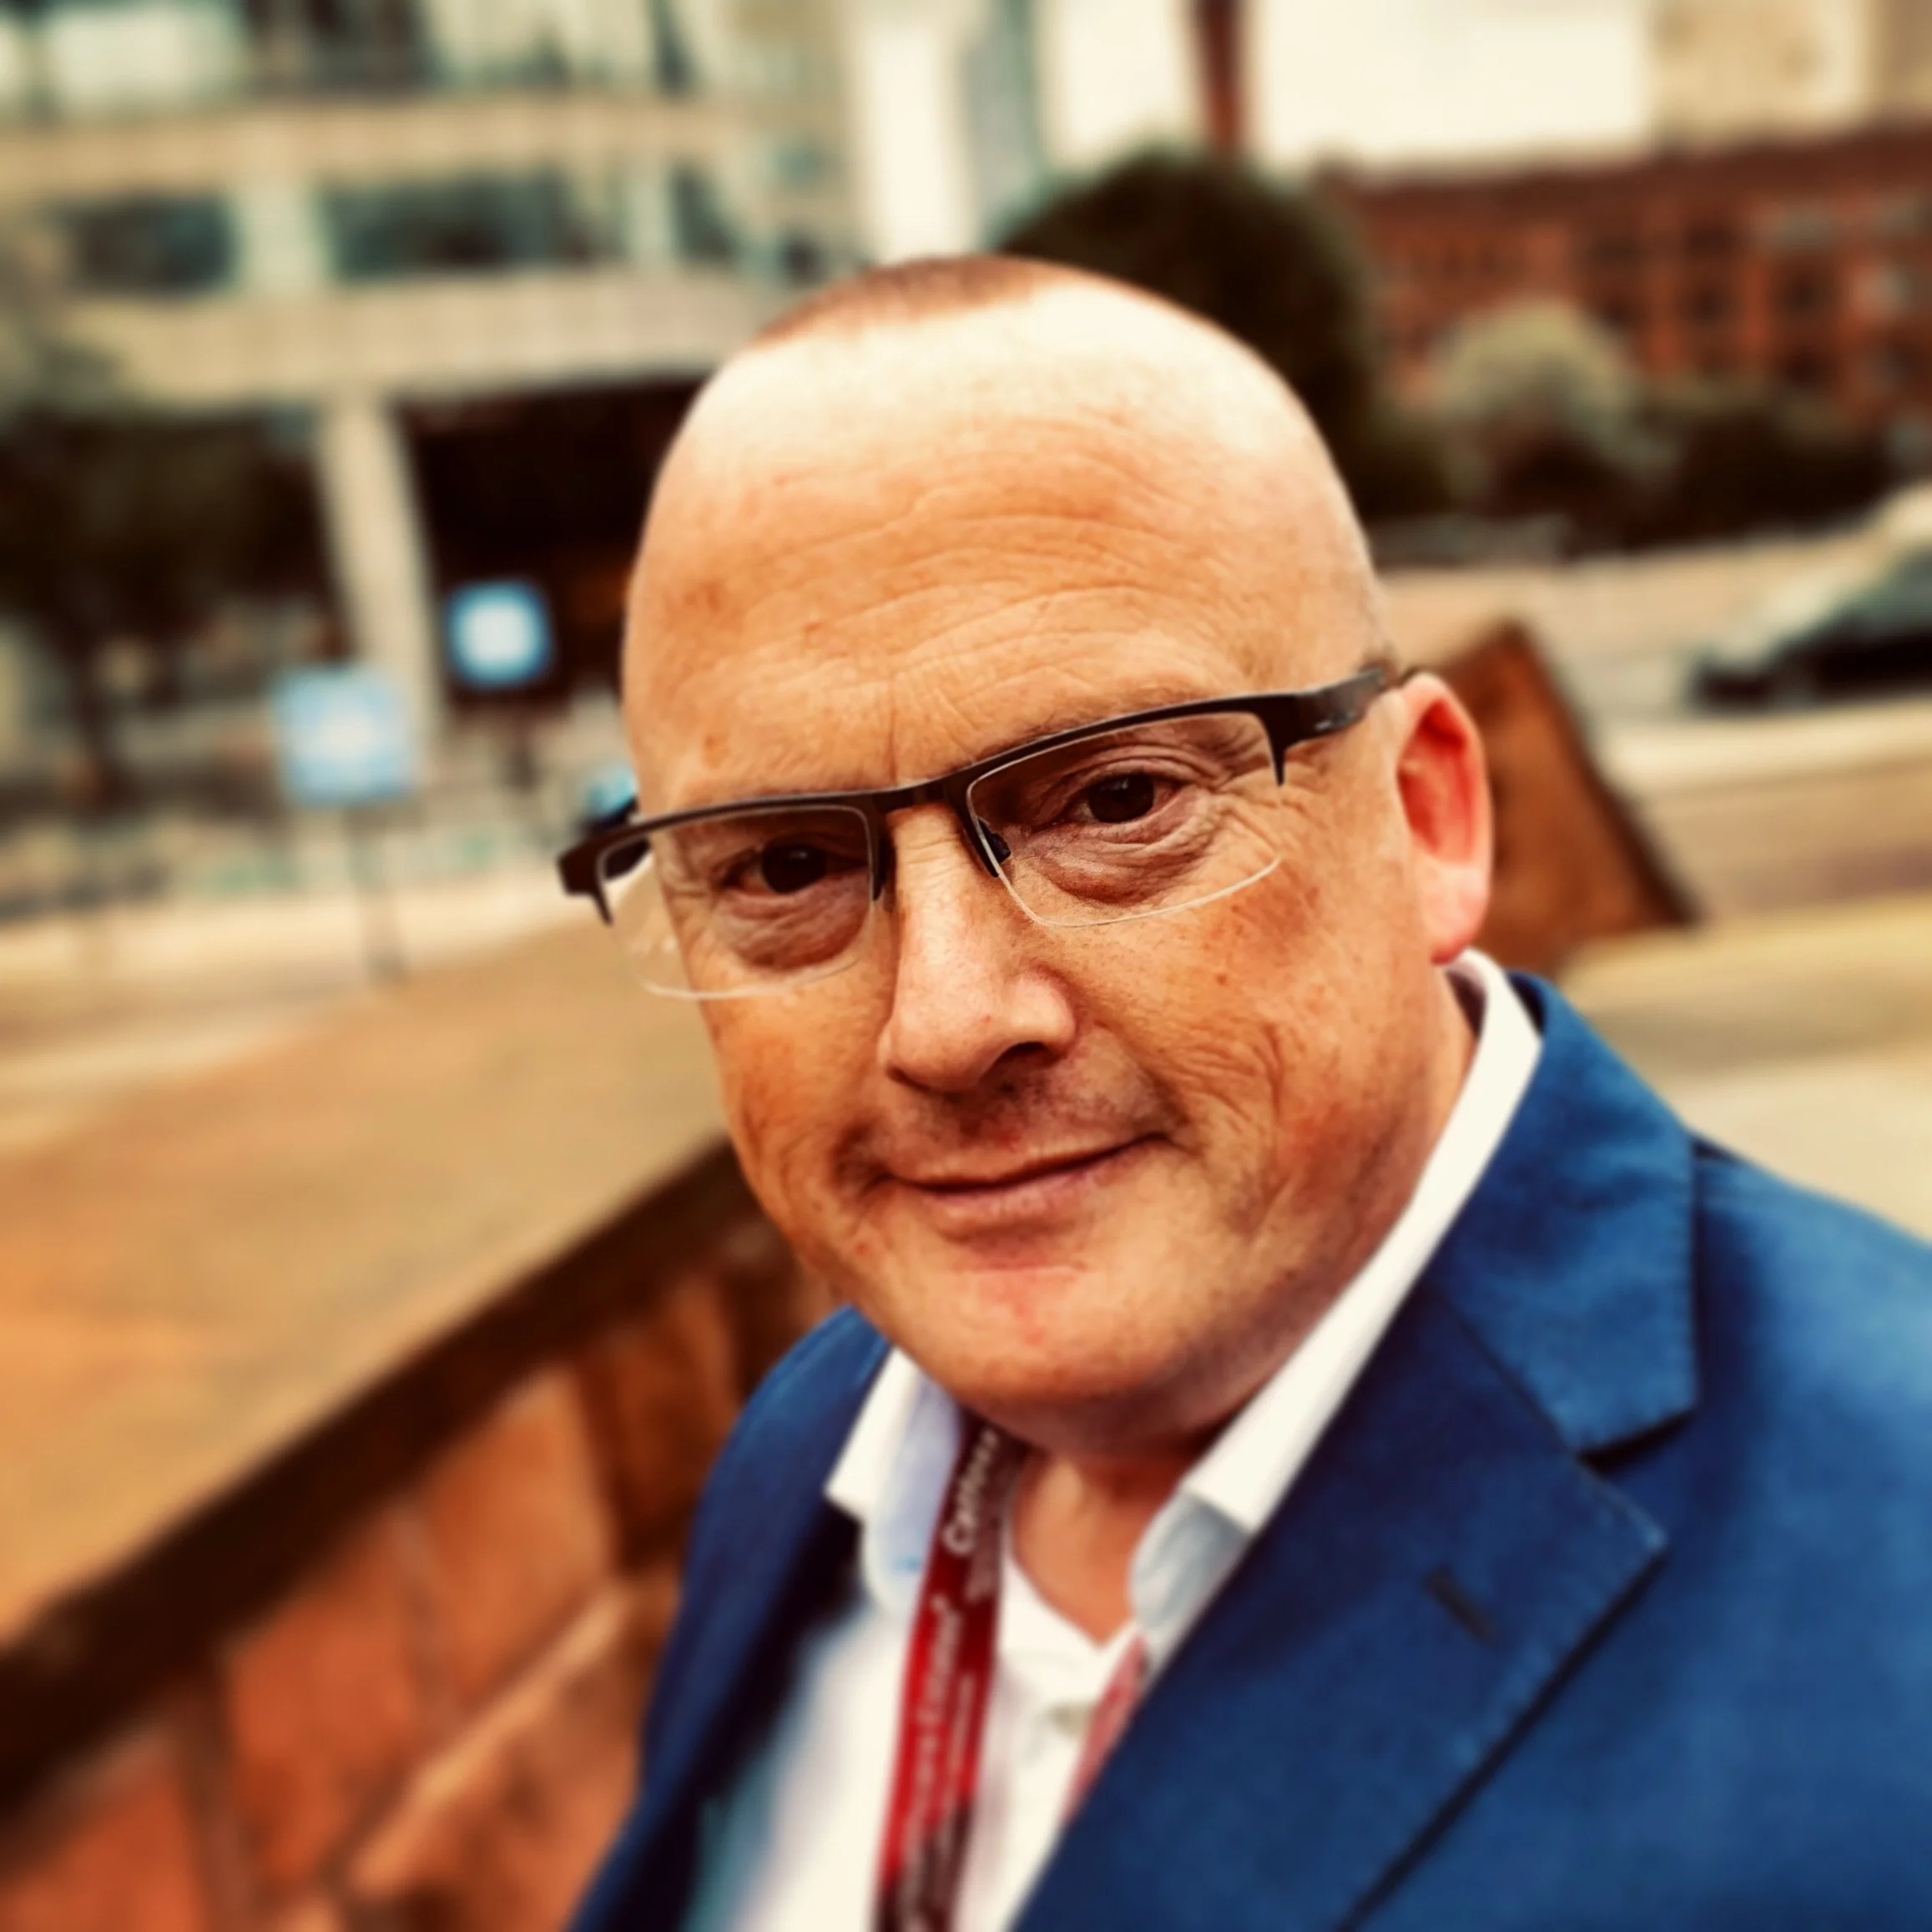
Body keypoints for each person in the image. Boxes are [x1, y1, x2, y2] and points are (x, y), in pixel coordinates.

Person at [559, 258, 1932, 1932]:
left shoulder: (1888, 1595)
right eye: (779, 861)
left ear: (1422, 817)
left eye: (1115, 797)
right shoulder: (818, 1449)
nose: (944, 1019)